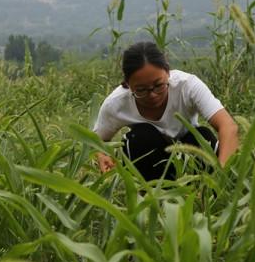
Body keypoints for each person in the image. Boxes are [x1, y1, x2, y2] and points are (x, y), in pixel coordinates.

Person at [93, 41, 238, 181]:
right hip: (150, 161)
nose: (152, 95)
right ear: (127, 84)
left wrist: (221, 173)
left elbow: (228, 126)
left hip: (188, 152)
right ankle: (148, 196)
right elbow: (96, 140)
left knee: (202, 136)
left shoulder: (188, 86)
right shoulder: (116, 103)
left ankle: (202, 192)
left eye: (158, 85)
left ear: (168, 72)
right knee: (140, 137)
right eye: (141, 90)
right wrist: (102, 155)